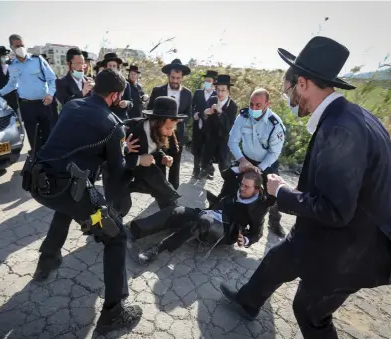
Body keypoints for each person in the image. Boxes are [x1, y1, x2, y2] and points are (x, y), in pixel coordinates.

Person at [219, 36, 391, 339]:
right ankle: (248, 302)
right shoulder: (354, 116)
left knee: (309, 311)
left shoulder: (339, 129)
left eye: (288, 90)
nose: (288, 99)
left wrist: (283, 193)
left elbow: (336, 211)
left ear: (302, 84)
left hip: (351, 250)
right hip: (329, 233)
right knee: (280, 258)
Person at [25, 68, 142, 334]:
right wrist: (131, 156)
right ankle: (114, 312)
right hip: (67, 188)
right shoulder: (113, 124)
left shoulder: (71, 104)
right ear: (115, 95)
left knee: (67, 206)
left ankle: (47, 260)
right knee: (117, 236)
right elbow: (118, 174)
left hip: (39, 183)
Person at [129, 171, 274, 264]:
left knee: (203, 222)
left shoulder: (259, 208)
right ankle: (135, 230)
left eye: (247, 187)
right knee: (176, 210)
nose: (242, 188)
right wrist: (243, 164)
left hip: (224, 230)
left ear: (256, 189)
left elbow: (257, 233)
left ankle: (157, 249)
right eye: (242, 184)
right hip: (209, 213)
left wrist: (246, 239)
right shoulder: (236, 187)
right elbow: (227, 172)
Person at [220, 88, 286, 237]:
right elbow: (233, 141)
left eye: (258, 105)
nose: (253, 108)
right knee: (229, 184)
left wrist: (259, 169)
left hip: (267, 162)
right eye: (251, 104)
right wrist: (242, 160)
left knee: (273, 194)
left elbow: (274, 152)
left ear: (267, 104)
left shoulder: (275, 124)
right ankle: (221, 211)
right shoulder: (243, 117)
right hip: (246, 158)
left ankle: (275, 223)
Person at [0, 34, 57, 149]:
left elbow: (52, 78)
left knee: (48, 136)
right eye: (17, 46)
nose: (20, 48)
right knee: (33, 138)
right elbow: (12, 84)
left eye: (22, 45)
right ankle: (36, 163)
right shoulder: (12, 65)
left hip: (44, 103)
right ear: (11, 47)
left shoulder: (38, 60)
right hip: (26, 106)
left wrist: (50, 95)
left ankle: (50, 162)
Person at [122, 96, 185, 211]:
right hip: (119, 176)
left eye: (172, 129)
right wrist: (137, 158)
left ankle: (172, 215)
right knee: (121, 208)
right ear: (156, 123)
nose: (170, 134)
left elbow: (153, 148)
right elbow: (110, 160)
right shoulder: (129, 130)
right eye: (168, 128)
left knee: (165, 194)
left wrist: (163, 157)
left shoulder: (157, 131)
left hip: (141, 173)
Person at [147, 58, 192, 189]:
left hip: (178, 134)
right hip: (159, 133)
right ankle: (160, 190)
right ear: (168, 75)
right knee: (161, 161)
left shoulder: (187, 93)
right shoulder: (157, 91)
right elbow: (149, 110)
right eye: (173, 77)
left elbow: (188, 113)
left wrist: (178, 120)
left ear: (182, 77)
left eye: (178, 78)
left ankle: (173, 191)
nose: (175, 81)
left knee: (175, 162)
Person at [199, 74, 238, 180]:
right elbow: (205, 117)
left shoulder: (232, 105)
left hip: (223, 139)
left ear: (228, 91)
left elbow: (229, 126)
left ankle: (228, 185)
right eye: (218, 90)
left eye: (223, 90)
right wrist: (206, 113)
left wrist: (220, 112)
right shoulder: (212, 100)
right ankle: (207, 171)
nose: (220, 93)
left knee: (224, 165)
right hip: (210, 136)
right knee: (205, 160)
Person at [191, 70, 217, 178]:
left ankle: (207, 169)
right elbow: (191, 107)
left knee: (209, 148)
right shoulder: (198, 92)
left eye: (209, 81)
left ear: (214, 82)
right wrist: (194, 114)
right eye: (206, 81)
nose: (207, 83)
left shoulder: (217, 95)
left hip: (211, 127)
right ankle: (196, 170)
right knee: (197, 147)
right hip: (198, 124)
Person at [101, 52, 133, 120]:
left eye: (114, 66)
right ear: (105, 67)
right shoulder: (100, 83)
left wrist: (126, 103)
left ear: (117, 68)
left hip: (121, 119)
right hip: (104, 118)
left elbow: (131, 102)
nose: (112, 68)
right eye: (110, 65)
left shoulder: (125, 84)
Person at [0, 46, 19, 112]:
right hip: (1, 95)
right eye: (1, 56)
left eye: (5, 56)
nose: (3, 58)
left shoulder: (13, 67)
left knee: (15, 113)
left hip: (13, 95)